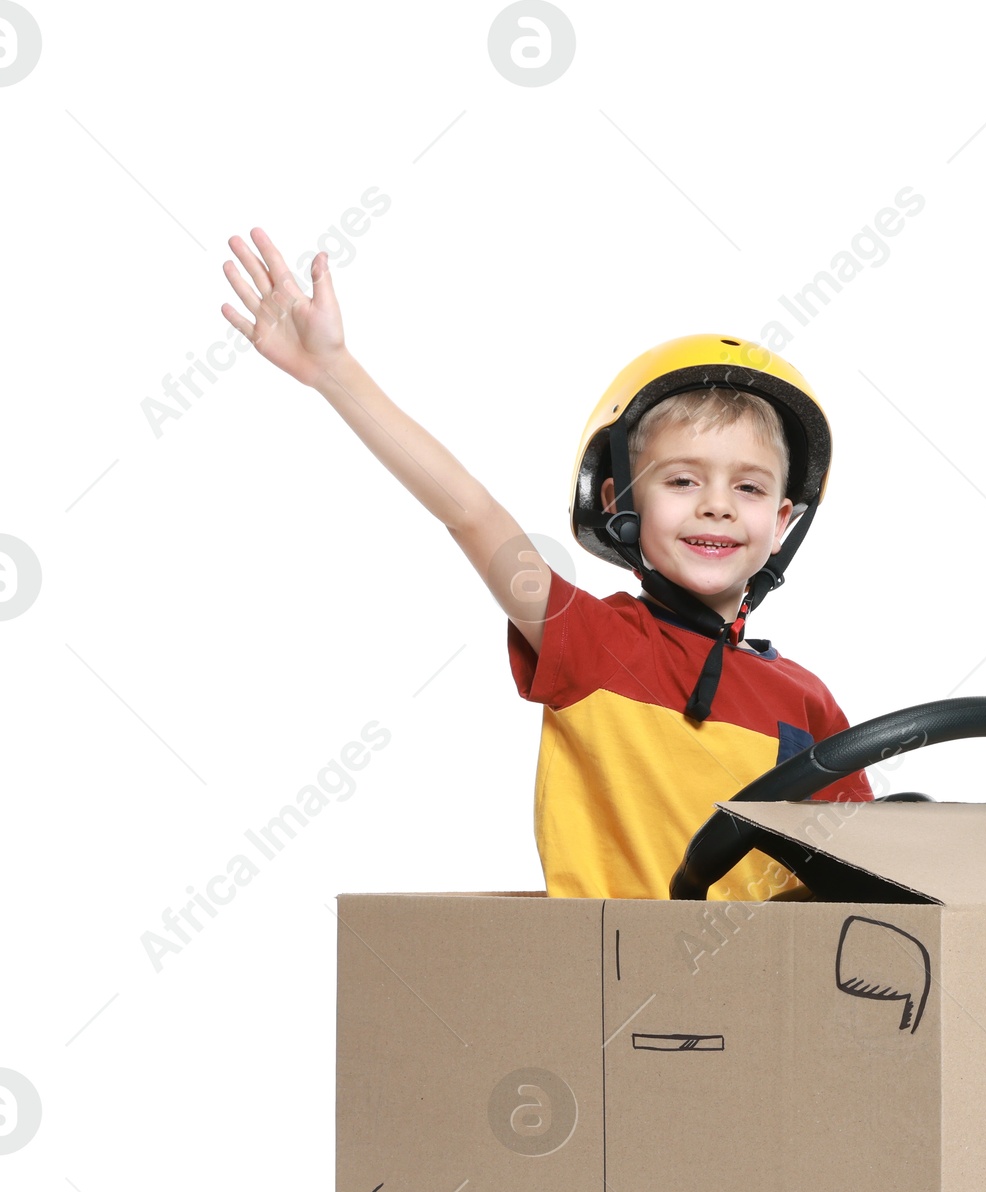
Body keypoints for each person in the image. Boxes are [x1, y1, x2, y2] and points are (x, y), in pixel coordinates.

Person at [220, 228, 871, 901]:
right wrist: (336, 374)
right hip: (610, 989)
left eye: (750, 488)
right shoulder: (592, 641)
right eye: (681, 481)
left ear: (783, 522)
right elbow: (470, 513)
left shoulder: (809, 703)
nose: (717, 507)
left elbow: (868, 876)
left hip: (773, 996)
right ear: (621, 500)